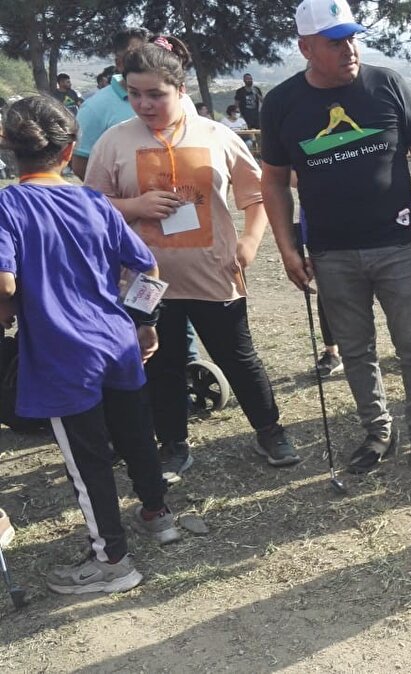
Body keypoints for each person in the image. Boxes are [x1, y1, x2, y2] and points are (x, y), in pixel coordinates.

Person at [85, 36, 301, 480]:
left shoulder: (217, 135)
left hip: (213, 273)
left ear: (180, 89)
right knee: (161, 364)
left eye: (155, 94)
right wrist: (135, 206)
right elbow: (91, 207)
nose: (143, 104)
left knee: (237, 357)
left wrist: (250, 244)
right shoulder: (113, 142)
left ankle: (270, 429)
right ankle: (173, 444)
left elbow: (256, 195)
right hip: (143, 279)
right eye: (134, 93)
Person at [260, 0, 411, 475]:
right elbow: (273, 181)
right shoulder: (281, 104)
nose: (349, 49)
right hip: (331, 252)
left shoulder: (386, 83)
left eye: (352, 38)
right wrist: (288, 248)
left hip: (400, 245)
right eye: (335, 41)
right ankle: (378, 431)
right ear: (305, 48)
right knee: (355, 350)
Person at [0, 96, 180, 595]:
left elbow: (5, 284)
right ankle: (157, 513)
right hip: (116, 340)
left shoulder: (7, 206)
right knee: (135, 434)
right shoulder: (94, 202)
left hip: (62, 355)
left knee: (87, 462)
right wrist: (144, 322)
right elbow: (148, 266)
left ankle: (113, 562)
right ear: (70, 149)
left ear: (8, 146)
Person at [72, 26, 197, 181]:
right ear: (119, 63)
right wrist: (125, 194)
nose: (145, 59)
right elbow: (81, 165)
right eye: (135, 55)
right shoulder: (94, 108)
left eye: (150, 52)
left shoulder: (184, 100)